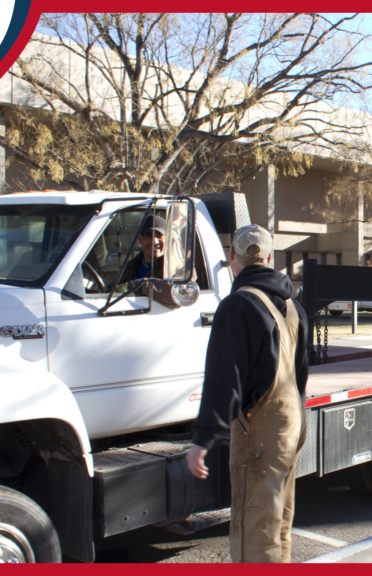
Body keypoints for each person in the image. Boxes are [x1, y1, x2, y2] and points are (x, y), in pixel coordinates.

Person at [186, 224, 309, 563]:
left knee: (252, 526)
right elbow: (301, 373)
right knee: (278, 521)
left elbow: (224, 379)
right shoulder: (292, 307)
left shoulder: (237, 306)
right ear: (270, 258)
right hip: (292, 425)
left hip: (260, 433)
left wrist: (202, 439)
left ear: (232, 259)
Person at [119, 214, 179, 309]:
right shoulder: (131, 266)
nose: (155, 241)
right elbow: (118, 288)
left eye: (160, 236)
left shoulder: (178, 265)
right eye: (148, 236)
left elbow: (179, 296)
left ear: (167, 239)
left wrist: (140, 285)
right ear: (140, 239)